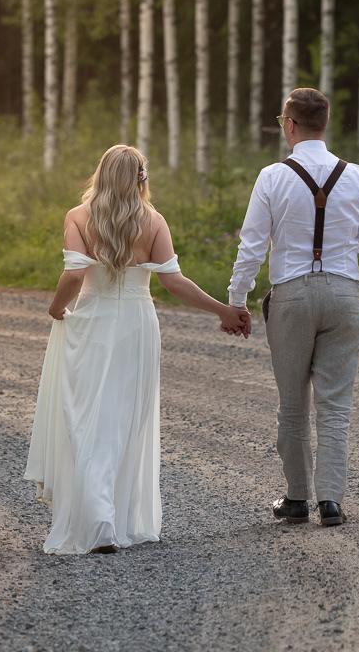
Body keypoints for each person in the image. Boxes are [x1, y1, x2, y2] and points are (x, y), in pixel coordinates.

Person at [24, 143, 243, 555]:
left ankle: (98, 522)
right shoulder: (153, 220)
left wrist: (56, 308)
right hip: (138, 324)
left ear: (101, 173)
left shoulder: (78, 216)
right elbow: (173, 282)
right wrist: (223, 310)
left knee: (87, 417)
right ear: (141, 177)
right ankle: (112, 518)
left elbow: (74, 275)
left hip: (93, 320)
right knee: (123, 420)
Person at [220, 87, 359, 527]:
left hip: (292, 297)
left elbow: (252, 247)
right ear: (324, 124)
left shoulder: (272, 177)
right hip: (344, 297)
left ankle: (296, 499)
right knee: (335, 407)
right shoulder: (357, 176)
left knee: (293, 405)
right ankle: (330, 501)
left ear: (290, 125)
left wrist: (237, 300)